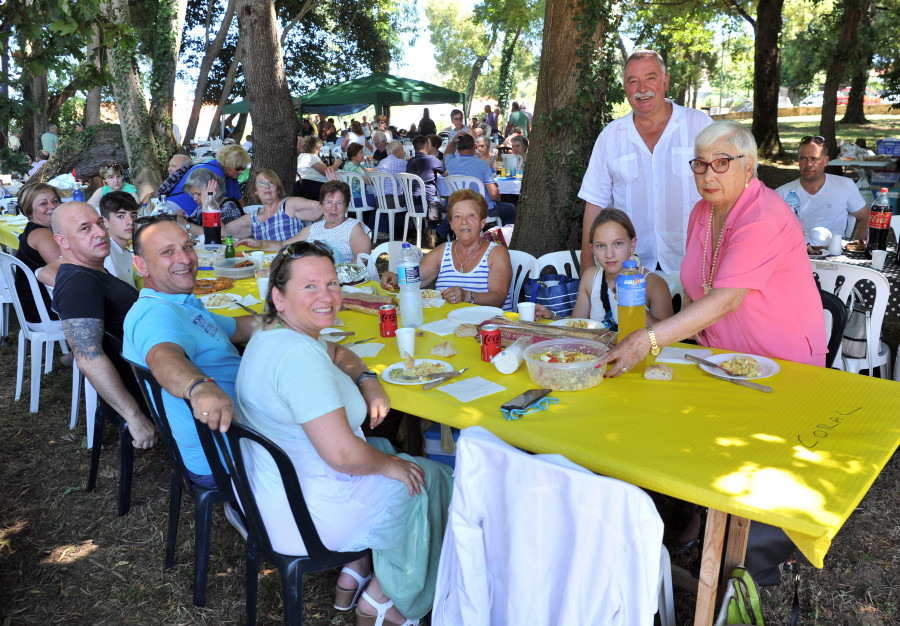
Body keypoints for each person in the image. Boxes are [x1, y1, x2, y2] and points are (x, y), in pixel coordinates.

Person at [235, 241, 452, 625]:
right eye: (310, 286)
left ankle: (357, 570)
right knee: (431, 478)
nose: (327, 295)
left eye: (332, 283)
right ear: (278, 296)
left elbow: (335, 352)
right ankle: (389, 599)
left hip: (274, 493)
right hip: (308, 516)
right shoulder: (298, 358)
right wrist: (390, 466)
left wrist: (366, 378)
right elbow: (344, 455)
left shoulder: (273, 333)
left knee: (385, 445)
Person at [598, 119, 827, 377]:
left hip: (780, 363)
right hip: (718, 359)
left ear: (748, 166)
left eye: (721, 163)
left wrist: (649, 339)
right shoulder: (702, 210)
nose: (708, 176)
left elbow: (726, 299)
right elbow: (692, 285)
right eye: (700, 164)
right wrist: (684, 330)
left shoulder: (763, 215)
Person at [122, 218, 257, 487]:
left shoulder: (176, 302)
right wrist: (199, 388)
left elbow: (240, 328)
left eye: (187, 246)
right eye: (167, 251)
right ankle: (248, 511)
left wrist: (290, 314)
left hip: (237, 432)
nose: (184, 258)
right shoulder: (156, 315)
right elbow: (163, 358)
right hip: (232, 453)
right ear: (141, 265)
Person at [578, 49, 713, 273]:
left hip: (695, 262)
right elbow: (595, 203)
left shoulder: (700, 126)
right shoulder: (610, 137)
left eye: (650, 78)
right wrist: (587, 263)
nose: (642, 89)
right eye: (633, 81)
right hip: (631, 268)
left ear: (666, 81)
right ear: (625, 89)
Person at [50, 202, 157, 449]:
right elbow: (88, 358)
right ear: (63, 241)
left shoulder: (90, 271)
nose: (100, 232)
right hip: (155, 391)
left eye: (99, 223)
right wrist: (134, 416)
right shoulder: (78, 284)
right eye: (85, 228)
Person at [535, 209, 673, 327]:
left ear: (632, 245)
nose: (609, 254)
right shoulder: (590, 278)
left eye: (618, 243)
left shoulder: (654, 284)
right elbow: (576, 327)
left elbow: (670, 338)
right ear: (592, 248)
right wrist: (552, 317)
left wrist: (632, 299)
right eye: (601, 246)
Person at [381, 189, 513, 310]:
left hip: (489, 328)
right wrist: (395, 279)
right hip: (448, 326)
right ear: (451, 224)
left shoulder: (496, 253)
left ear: (482, 221)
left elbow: (499, 298)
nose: (464, 222)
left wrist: (467, 296)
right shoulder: (443, 251)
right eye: (457, 216)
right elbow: (415, 280)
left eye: (471, 215)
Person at [241, 181, 372, 264]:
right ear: (321, 204)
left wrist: (341, 277)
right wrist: (259, 243)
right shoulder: (315, 228)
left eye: (339, 203)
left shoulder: (353, 227)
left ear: (346, 206)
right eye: (329, 202)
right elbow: (283, 245)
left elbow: (362, 258)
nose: (333, 208)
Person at [775, 135, 869, 240]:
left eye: (814, 159)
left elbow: (865, 216)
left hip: (835, 252)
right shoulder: (782, 193)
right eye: (803, 159)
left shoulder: (845, 186)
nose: (808, 164)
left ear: (826, 161)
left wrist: (857, 245)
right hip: (797, 252)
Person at [228, 169, 323, 242]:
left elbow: (321, 209)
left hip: (294, 262)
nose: (267, 186)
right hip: (268, 265)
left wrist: (334, 191)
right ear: (255, 190)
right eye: (261, 183)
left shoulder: (289, 205)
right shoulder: (253, 218)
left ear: (277, 188)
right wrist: (213, 201)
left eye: (271, 182)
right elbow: (224, 232)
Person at [14, 184, 63, 323]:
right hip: (43, 309)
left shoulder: (37, 229)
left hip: (35, 304)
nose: (52, 206)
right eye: (43, 203)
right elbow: (67, 270)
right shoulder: (42, 234)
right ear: (30, 212)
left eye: (55, 201)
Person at [444, 133, 516, 226]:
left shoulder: (450, 162)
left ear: (458, 149)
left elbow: (447, 153)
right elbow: (493, 195)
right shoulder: (482, 165)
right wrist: (497, 196)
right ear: (475, 146)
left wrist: (453, 142)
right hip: (483, 208)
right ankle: (505, 236)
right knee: (511, 208)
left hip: (459, 207)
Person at [164, 144, 250, 216]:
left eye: (243, 169)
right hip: (179, 208)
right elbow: (218, 203)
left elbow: (239, 199)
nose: (240, 172)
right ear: (227, 163)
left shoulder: (231, 175)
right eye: (238, 168)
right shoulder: (213, 172)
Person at [176, 168, 246, 238]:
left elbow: (218, 234)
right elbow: (192, 227)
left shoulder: (229, 207)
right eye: (193, 194)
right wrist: (181, 219)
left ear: (213, 190)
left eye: (199, 194)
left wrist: (185, 224)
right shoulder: (200, 208)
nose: (195, 199)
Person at [98, 191, 139, 288]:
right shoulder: (106, 255)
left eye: (133, 216)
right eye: (120, 216)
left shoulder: (123, 250)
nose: (131, 222)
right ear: (105, 222)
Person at [406, 135, 446, 223]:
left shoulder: (410, 162)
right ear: (426, 145)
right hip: (430, 202)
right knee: (453, 205)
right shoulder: (431, 159)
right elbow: (445, 172)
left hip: (412, 203)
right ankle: (438, 231)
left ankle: (432, 231)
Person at [298, 135, 343, 201]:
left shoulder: (301, 156)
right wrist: (336, 164)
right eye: (319, 148)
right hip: (314, 187)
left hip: (304, 187)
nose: (319, 150)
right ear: (315, 147)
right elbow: (327, 172)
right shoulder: (311, 157)